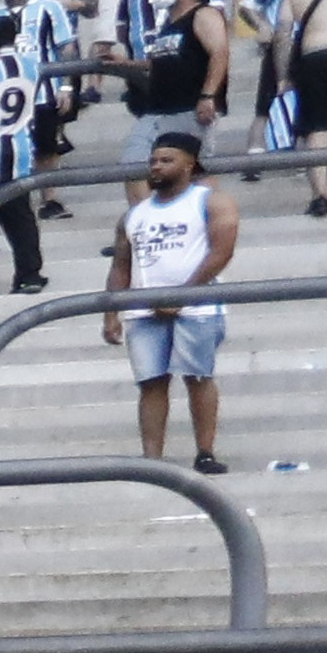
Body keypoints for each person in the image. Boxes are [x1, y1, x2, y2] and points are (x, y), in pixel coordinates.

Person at [103, 124, 237, 467]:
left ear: (189, 163)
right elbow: (121, 265)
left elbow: (221, 252)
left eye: (166, 160)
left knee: (198, 376)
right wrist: (111, 312)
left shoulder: (210, 201)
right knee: (150, 382)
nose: (156, 166)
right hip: (144, 307)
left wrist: (185, 294)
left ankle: (205, 452)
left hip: (198, 306)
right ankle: (152, 459)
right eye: (154, 160)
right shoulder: (135, 215)